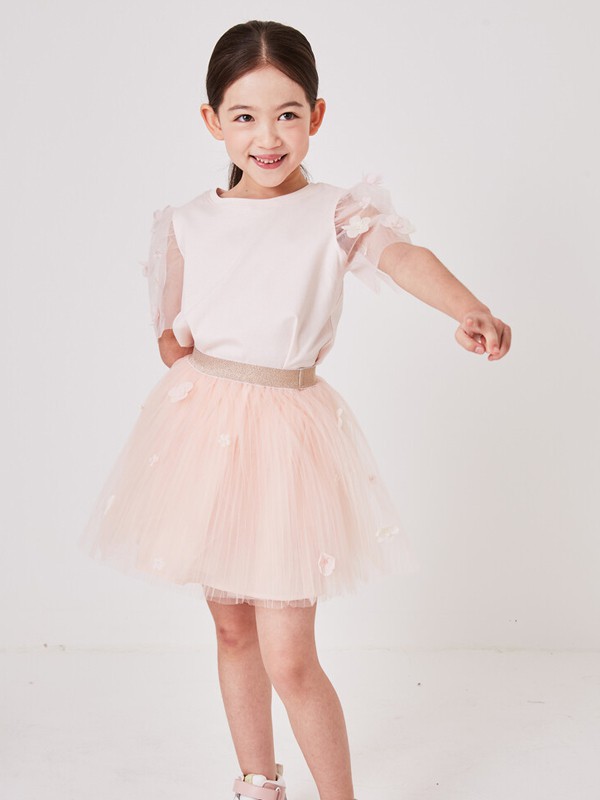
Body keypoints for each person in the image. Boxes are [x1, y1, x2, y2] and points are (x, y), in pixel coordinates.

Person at [78, 18, 511, 800]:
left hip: (286, 438)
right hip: (206, 434)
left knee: (289, 654)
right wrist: (205, 365)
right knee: (230, 627)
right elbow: (172, 339)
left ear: (317, 114)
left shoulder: (334, 212)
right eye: (244, 116)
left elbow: (401, 256)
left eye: (286, 114)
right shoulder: (187, 223)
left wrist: (466, 306)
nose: (268, 136)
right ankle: (257, 781)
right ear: (213, 121)